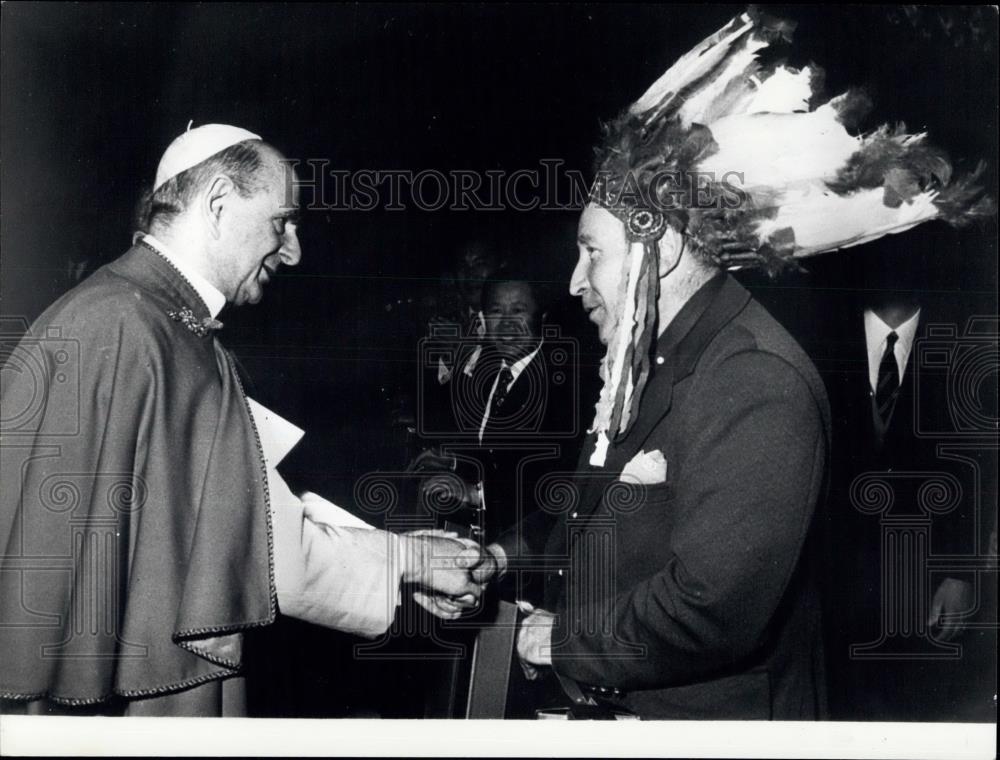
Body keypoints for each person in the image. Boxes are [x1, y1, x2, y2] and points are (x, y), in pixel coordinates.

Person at [429, 10, 991, 720]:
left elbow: (713, 608)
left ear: (655, 251)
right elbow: (591, 509)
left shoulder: (755, 380)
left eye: (591, 252)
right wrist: (504, 559)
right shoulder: (653, 357)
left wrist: (562, 639)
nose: (574, 283)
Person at [0, 124, 485, 717]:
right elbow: (257, 543)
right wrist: (407, 561)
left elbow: (246, 521)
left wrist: (403, 558)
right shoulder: (132, 328)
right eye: (282, 221)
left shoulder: (159, 322)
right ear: (219, 202)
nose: (293, 250)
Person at [819, 240, 994, 721]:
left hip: (924, 588)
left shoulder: (964, 344)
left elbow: (978, 467)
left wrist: (961, 574)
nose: (893, 258)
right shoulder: (818, 333)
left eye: (908, 241)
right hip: (830, 586)